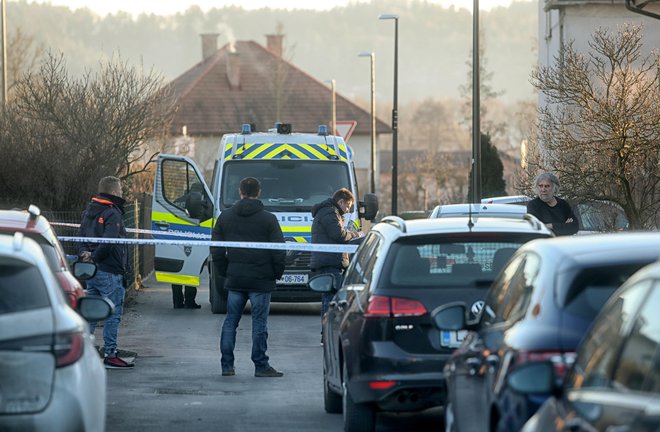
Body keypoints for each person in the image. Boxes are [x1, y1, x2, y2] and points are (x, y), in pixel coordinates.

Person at [210, 177, 286, 378]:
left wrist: (226, 270)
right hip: (261, 280)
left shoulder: (225, 217)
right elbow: (279, 250)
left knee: (230, 322)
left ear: (239, 191)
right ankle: (261, 366)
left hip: (235, 279)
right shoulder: (268, 219)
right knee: (259, 324)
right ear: (259, 192)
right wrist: (276, 274)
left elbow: (216, 251)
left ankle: (227, 366)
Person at [78, 176, 135, 369]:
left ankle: (85, 351)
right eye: (119, 191)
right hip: (109, 270)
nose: (121, 194)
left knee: (91, 312)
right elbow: (110, 240)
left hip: (91, 272)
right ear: (114, 192)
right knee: (113, 312)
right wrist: (95, 256)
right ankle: (111, 353)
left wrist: (86, 255)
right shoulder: (113, 213)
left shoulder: (89, 210)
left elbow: (81, 237)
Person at [310, 188, 363, 344]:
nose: (348, 211)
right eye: (347, 206)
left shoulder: (330, 212)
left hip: (329, 261)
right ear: (341, 202)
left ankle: (326, 334)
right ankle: (327, 335)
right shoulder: (330, 213)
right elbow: (339, 235)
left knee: (329, 298)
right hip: (329, 262)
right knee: (329, 299)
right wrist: (355, 234)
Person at [527, 172, 579, 236]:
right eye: (540, 186)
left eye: (547, 186)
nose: (543, 189)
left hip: (563, 244)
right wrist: (563, 226)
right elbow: (537, 229)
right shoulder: (533, 205)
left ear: (555, 188)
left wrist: (550, 225)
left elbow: (574, 227)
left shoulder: (563, 204)